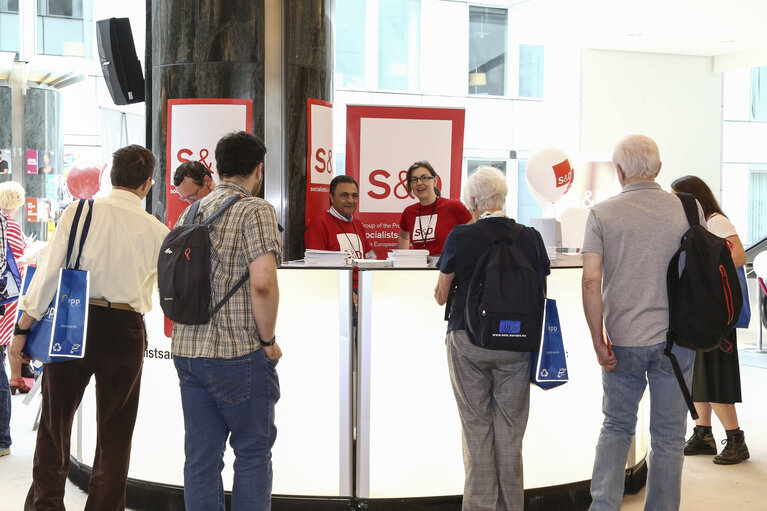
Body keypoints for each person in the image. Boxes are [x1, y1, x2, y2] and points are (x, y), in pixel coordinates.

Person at [10, 144, 169, 510]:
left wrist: (22, 329)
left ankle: (46, 505)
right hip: (127, 328)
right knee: (116, 430)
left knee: (55, 423)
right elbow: (165, 291)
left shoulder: (78, 212)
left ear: (110, 176)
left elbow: (49, 275)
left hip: (72, 318)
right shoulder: (158, 231)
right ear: (147, 184)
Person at [582, 135, 702, 511]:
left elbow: (590, 280)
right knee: (668, 438)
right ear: (659, 168)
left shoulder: (602, 213)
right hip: (677, 341)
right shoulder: (689, 208)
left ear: (618, 172)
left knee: (616, 426)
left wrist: (598, 339)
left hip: (622, 340)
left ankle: (603, 506)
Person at [171, 131, 282, 510]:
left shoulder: (190, 211)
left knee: (201, 457)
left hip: (188, 351)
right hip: (238, 352)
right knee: (252, 452)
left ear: (216, 168)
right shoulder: (255, 209)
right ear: (258, 169)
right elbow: (263, 285)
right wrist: (267, 342)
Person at [434, 166, 550, 510]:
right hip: (516, 345)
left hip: (468, 340)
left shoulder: (461, 235)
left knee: (477, 431)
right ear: (503, 198)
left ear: (472, 200)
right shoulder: (530, 236)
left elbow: (442, 295)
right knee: (510, 436)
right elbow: (541, 292)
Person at [670, 175, 750, 465]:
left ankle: (736, 440)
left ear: (693, 197)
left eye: (678, 196)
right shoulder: (696, 223)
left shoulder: (716, 221)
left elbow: (738, 256)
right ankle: (703, 433)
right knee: (699, 376)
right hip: (701, 312)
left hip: (717, 314)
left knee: (716, 378)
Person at [397, 160, 472, 256]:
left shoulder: (454, 206)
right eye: (414, 179)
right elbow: (403, 236)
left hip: (447, 269)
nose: (419, 183)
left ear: (435, 180)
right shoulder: (409, 212)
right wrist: (404, 261)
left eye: (424, 178)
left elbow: (474, 234)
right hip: (419, 269)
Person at [0, 182, 30, 394]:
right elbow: (19, 259)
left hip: (4, 288)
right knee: (11, 332)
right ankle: (14, 378)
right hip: (10, 290)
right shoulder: (10, 224)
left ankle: (15, 378)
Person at [305, 174, 375, 261]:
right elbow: (315, 265)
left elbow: (370, 258)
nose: (350, 201)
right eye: (344, 195)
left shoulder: (358, 224)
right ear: (332, 197)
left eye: (354, 195)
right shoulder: (319, 225)